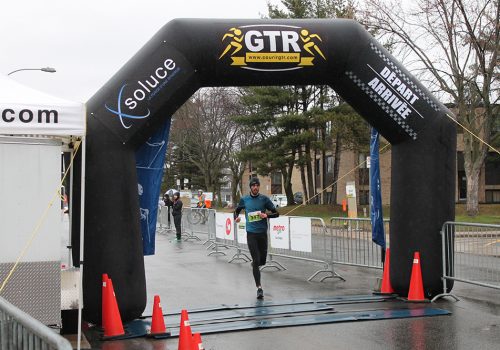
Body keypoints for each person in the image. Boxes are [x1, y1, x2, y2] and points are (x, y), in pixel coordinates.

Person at [234, 177, 279, 299]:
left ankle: (256, 263)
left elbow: (276, 213)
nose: (255, 187)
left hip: (262, 233)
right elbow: (236, 211)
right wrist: (236, 218)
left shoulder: (264, 199)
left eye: (257, 185)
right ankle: (259, 288)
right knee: (256, 260)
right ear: (250, 187)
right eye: (253, 185)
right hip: (251, 233)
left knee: (262, 261)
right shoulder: (244, 199)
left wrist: (266, 215)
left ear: (259, 186)